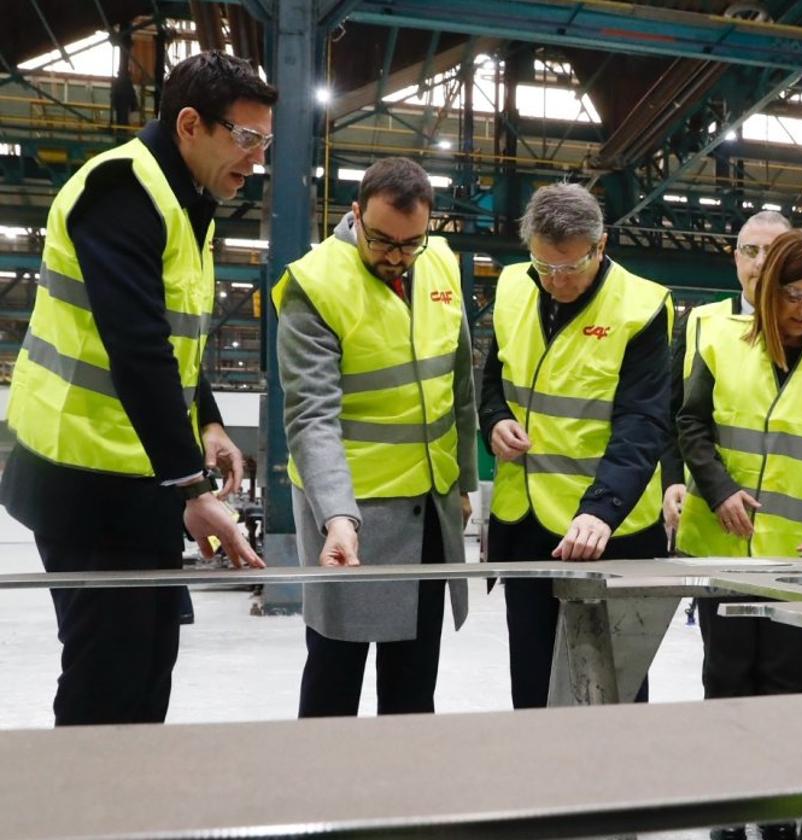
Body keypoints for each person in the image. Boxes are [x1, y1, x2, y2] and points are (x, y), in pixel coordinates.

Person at [1, 50, 272, 726]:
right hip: (84, 479)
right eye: (246, 138)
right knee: (106, 684)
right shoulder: (123, 191)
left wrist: (208, 422)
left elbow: (178, 341)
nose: (258, 158)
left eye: (265, 141)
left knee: (149, 668)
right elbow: (136, 347)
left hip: (134, 478)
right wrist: (193, 490)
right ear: (190, 125)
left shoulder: (187, 202)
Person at [675, 229, 802, 840]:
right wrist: (719, 489)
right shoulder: (717, 340)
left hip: (796, 557)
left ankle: (780, 815)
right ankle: (728, 811)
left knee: (788, 684)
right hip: (721, 544)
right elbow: (690, 424)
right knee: (727, 678)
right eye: (792, 293)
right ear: (766, 287)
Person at [274, 157, 478, 718]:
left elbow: (458, 381)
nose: (397, 257)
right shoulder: (313, 284)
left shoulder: (439, 264)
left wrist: (460, 480)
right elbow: (311, 417)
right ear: (356, 213)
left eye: (411, 243)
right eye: (383, 240)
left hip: (428, 510)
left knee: (414, 685)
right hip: (351, 518)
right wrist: (338, 516)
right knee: (334, 678)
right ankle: (323, 796)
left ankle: (407, 797)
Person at [478, 183, 672, 709]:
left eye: (571, 267)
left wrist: (602, 509)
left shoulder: (642, 307)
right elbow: (493, 378)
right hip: (525, 523)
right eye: (545, 266)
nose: (556, 281)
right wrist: (493, 418)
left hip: (612, 530)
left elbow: (644, 423)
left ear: (600, 245)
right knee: (535, 683)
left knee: (615, 683)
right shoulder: (514, 287)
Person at [661, 210, 791, 539]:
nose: (761, 263)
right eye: (751, 251)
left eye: (774, 252)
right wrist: (673, 478)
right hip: (709, 513)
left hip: (790, 527)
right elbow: (672, 411)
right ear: (736, 258)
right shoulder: (700, 323)